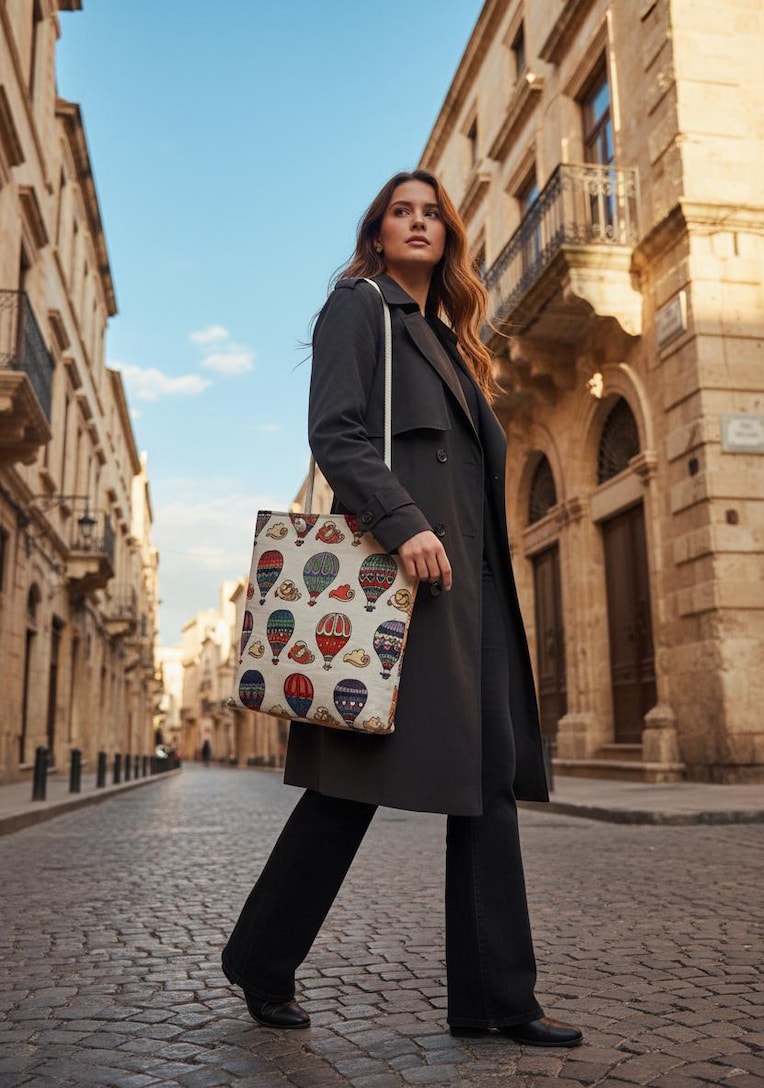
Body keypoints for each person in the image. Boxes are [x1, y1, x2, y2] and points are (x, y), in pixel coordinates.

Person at [221, 170, 583, 1048]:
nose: (417, 223)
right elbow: (336, 430)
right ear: (377, 232)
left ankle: (499, 1000)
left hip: (476, 595)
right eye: (401, 212)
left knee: (489, 786)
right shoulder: (359, 307)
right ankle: (261, 959)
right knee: (352, 787)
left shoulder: (454, 344)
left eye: (432, 214)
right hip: (398, 583)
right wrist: (403, 522)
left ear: (449, 237)